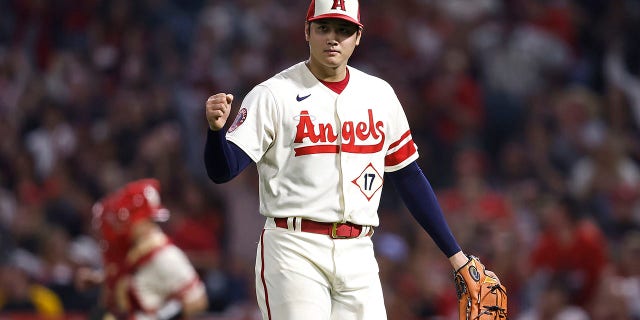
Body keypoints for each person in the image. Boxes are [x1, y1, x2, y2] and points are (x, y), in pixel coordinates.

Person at [203, 0, 500, 319]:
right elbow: (224, 170)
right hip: (293, 248)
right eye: (324, 27)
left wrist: (457, 257)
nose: (333, 37)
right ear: (307, 31)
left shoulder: (379, 94)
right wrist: (216, 133)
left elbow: (409, 177)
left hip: (358, 253)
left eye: (344, 30)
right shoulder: (273, 94)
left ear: (358, 36)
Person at [76, 178, 208, 319]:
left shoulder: (166, 255)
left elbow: (198, 300)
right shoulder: (135, 249)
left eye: (130, 218)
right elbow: (135, 275)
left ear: (144, 220)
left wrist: (162, 316)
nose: (123, 225)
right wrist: (97, 279)